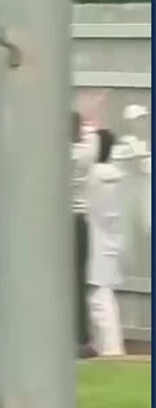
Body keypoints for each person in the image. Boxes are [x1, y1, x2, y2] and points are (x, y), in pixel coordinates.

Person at [86, 128, 125, 356]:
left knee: (99, 300)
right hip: (109, 241)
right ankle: (108, 347)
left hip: (96, 241)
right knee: (104, 297)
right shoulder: (116, 174)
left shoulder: (94, 176)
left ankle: (111, 350)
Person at [70, 111, 100, 358]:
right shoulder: (84, 154)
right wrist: (90, 118)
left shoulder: (52, 154)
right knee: (77, 281)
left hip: (52, 224)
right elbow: (93, 135)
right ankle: (80, 338)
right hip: (77, 221)